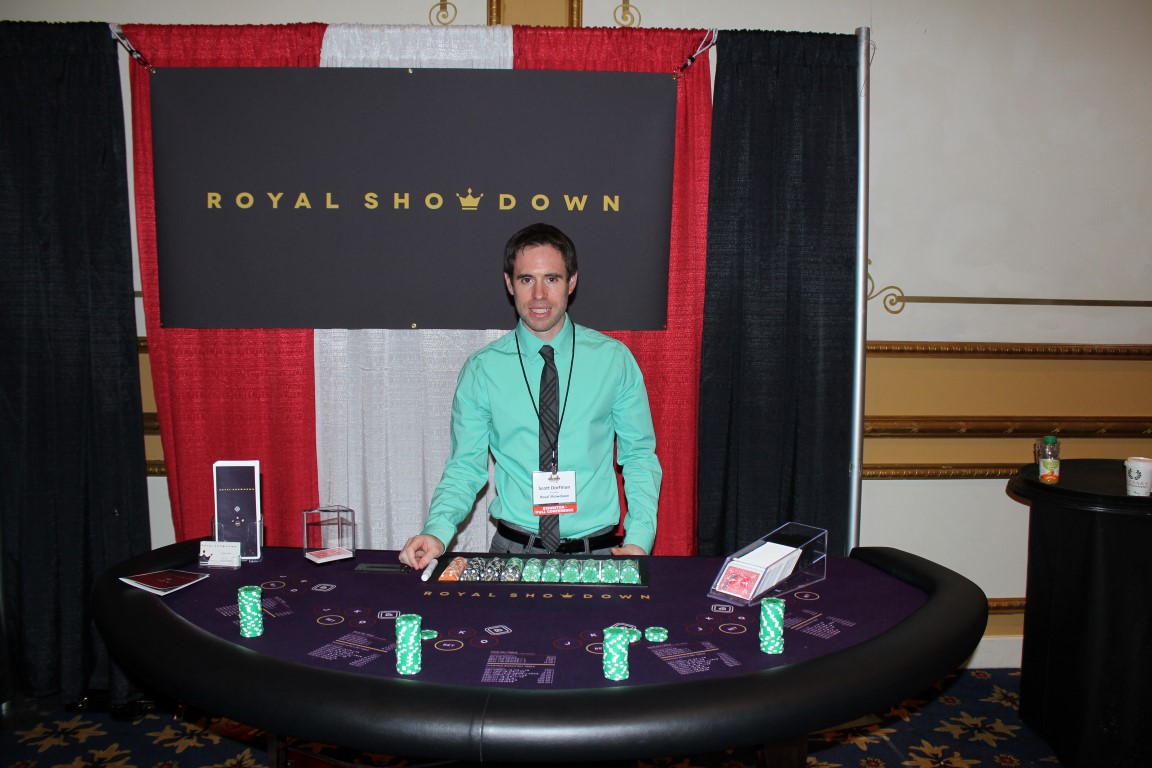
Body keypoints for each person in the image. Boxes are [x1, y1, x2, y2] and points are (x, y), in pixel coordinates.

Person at [399, 223, 662, 570]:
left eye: (551, 279)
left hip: (600, 556)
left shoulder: (613, 360)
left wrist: (639, 540)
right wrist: (437, 530)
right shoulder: (483, 369)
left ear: (571, 282)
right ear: (509, 284)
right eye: (526, 279)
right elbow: (465, 467)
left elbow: (639, 456)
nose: (539, 295)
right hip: (512, 555)